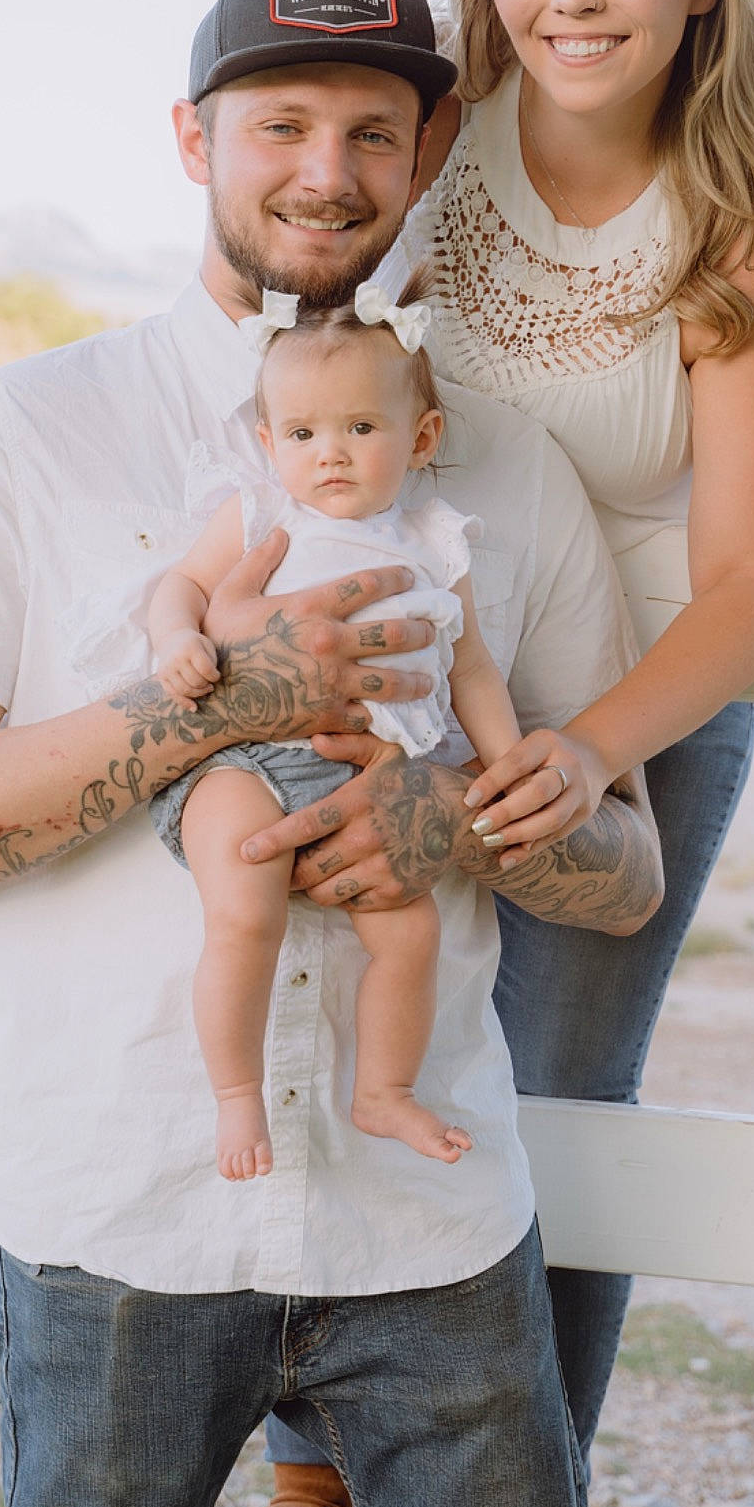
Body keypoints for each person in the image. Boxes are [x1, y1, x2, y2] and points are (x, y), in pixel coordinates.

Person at [0, 0, 664, 1507]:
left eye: (374, 130)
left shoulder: (501, 463)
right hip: (112, 1201)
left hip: (427, 1219)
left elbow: (629, 864)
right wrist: (213, 704)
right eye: (278, 120)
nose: (325, 169)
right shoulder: (28, 432)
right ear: (192, 136)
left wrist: (457, 815)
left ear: (428, 156)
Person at [230, 0, 754, 1507]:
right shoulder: (438, 146)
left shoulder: (742, 219)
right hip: (421, 671)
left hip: (629, 714)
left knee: (556, 1108)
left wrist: (599, 748)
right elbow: (291, 324)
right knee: (344, 1032)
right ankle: (313, 1495)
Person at [148, 276, 520, 1177]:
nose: (333, 455)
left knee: (409, 934)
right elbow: (183, 588)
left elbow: (468, 665)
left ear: (419, 438)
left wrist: (505, 763)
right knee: (244, 914)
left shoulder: (434, 540)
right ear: (269, 444)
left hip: (366, 777)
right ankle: (237, 1098)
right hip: (239, 763)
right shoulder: (260, 514)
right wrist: (175, 640)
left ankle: (384, 1092)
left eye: (361, 428)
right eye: (305, 434)